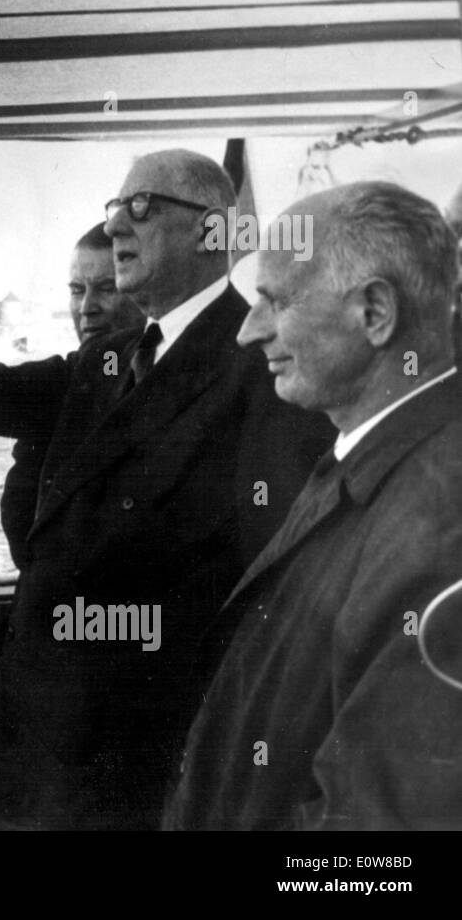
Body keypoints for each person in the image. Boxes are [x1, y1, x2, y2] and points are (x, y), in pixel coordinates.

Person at [0, 149, 335, 829]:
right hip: (41, 739)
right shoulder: (115, 355)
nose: (118, 228)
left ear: (210, 232)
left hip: (142, 765)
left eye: (141, 209)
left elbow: (270, 599)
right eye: (114, 208)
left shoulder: (264, 371)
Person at [164, 181, 462, 830]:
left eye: (275, 301)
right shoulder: (371, 454)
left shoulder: (444, 532)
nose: (247, 331)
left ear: (375, 312)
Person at [1, 223, 143, 568]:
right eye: (78, 290)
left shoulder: (175, 383)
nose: (86, 308)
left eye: (106, 288)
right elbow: (21, 523)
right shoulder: (68, 386)